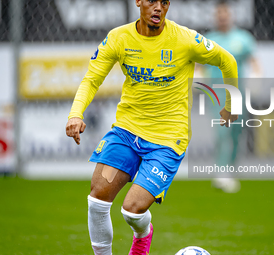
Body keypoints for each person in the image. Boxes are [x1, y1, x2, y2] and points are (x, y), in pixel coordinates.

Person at [65, 0, 238, 254]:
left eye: (164, 2)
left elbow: (227, 60)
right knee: (97, 199)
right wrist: (75, 114)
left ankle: (143, 233)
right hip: (126, 133)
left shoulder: (185, 39)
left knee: (131, 211)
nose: (158, 7)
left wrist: (231, 105)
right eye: (151, 1)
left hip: (167, 141)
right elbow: (91, 79)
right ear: (138, 2)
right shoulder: (119, 38)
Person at [204, 0, 261, 193]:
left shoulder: (243, 38)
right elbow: (197, 64)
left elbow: (253, 60)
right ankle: (221, 173)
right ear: (215, 16)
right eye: (219, 14)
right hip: (218, 93)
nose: (222, 17)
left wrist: (256, 77)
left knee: (237, 132)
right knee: (222, 131)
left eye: (225, 13)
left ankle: (232, 169)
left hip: (238, 92)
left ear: (231, 15)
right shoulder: (209, 40)